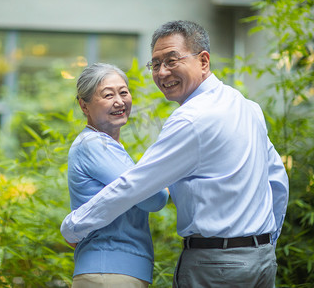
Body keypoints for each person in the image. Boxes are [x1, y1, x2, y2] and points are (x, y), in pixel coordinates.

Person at [61, 21, 289, 287]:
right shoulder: (248, 107)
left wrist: (74, 225)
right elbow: (277, 180)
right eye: (155, 64)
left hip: (215, 264)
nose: (162, 72)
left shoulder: (191, 118)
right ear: (83, 105)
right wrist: (266, 242)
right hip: (261, 260)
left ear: (204, 61)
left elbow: (137, 185)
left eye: (171, 60)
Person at [66, 63, 169, 288]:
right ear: (84, 105)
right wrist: (168, 180)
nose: (120, 101)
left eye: (123, 92)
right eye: (108, 95)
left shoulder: (110, 147)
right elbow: (154, 198)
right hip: (108, 270)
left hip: (113, 271)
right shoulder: (94, 145)